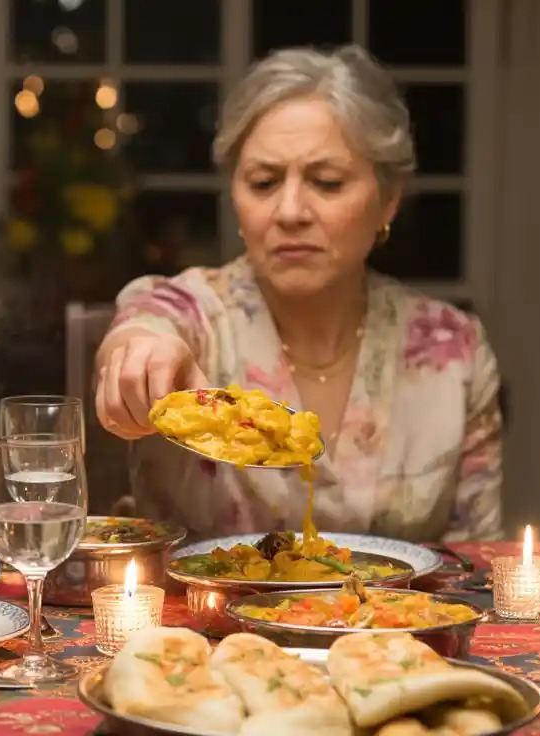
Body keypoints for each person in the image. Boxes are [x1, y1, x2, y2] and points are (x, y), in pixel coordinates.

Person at [94, 45, 503, 543]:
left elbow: (475, 568)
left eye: (326, 183)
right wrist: (140, 359)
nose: (289, 211)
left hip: (399, 622)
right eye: (264, 183)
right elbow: (145, 328)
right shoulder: (195, 311)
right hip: (195, 621)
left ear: (387, 201)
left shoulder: (454, 353)